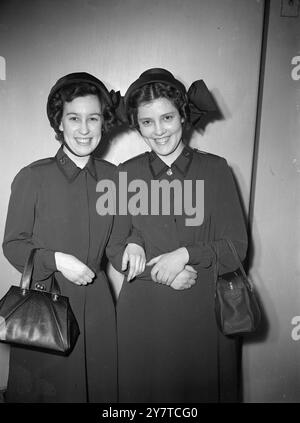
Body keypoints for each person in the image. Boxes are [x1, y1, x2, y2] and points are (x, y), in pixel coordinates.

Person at [106, 68, 248, 402]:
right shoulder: (124, 174)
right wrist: (160, 273)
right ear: (137, 125)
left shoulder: (216, 170)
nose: (158, 131)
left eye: (167, 117)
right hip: (144, 314)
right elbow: (114, 248)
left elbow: (236, 248)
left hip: (202, 316)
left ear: (182, 115)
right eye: (147, 122)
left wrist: (185, 255)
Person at [2, 72, 119, 403]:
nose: (84, 129)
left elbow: (121, 241)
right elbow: (13, 244)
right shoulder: (32, 176)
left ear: (103, 123)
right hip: (45, 305)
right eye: (74, 118)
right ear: (60, 123)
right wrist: (56, 260)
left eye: (93, 118)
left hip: (97, 305)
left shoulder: (114, 178)